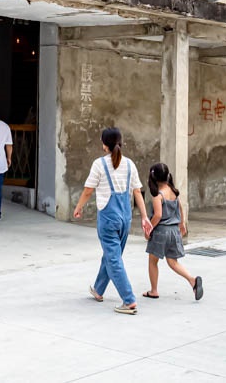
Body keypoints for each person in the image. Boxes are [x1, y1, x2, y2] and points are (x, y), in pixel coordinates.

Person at [72, 127, 152, 315]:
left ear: (104, 144)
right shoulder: (130, 164)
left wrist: (79, 207)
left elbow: (88, 191)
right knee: (111, 255)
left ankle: (129, 300)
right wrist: (145, 217)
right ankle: (99, 290)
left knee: (113, 258)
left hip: (108, 219)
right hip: (125, 217)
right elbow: (137, 193)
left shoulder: (99, 164)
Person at [142, 163, 203, 301]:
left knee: (153, 261)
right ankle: (192, 280)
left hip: (161, 232)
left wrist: (148, 229)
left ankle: (154, 290)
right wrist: (182, 223)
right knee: (173, 262)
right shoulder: (173, 191)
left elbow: (157, 215)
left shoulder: (158, 195)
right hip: (174, 231)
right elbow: (180, 207)